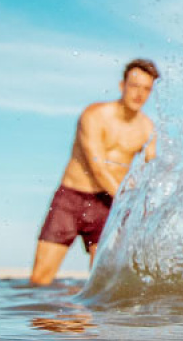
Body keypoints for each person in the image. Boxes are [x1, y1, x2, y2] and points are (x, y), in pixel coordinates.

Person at [29, 59, 160, 286]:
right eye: (135, 86)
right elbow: (97, 166)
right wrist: (128, 200)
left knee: (101, 283)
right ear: (122, 86)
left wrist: (148, 206)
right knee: (40, 279)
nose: (139, 94)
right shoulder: (95, 115)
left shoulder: (147, 129)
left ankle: (90, 320)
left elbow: (152, 172)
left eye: (146, 89)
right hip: (70, 200)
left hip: (108, 205)